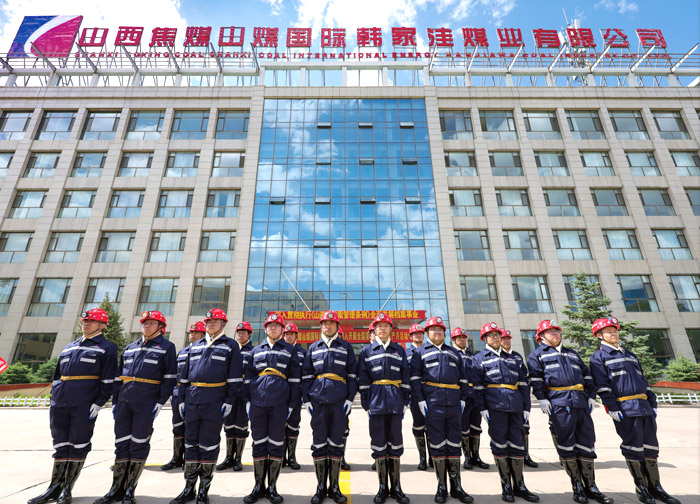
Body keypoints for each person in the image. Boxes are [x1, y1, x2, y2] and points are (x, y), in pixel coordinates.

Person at [29, 309, 117, 504]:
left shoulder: (107, 347)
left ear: (102, 325)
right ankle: (54, 487)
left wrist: (99, 402)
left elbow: (108, 379)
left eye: (91, 321)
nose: (86, 323)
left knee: (78, 444)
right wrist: (54, 396)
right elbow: (57, 375)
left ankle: (67, 488)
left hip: (84, 403)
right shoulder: (70, 346)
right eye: (85, 321)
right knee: (60, 443)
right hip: (60, 401)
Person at [589, 317, 680, 504]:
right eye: (608, 332)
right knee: (633, 448)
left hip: (644, 407)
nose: (614, 334)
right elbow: (602, 385)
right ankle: (642, 489)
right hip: (625, 409)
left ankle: (656, 488)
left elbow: (643, 380)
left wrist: (652, 402)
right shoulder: (599, 357)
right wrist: (612, 407)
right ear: (599, 335)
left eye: (615, 331)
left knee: (651, 448)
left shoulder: (630, 355)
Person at [95, 310, 176, 504]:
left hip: (146, 401)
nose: (146, 326)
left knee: (138, 444)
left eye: (151, 323)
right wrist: (116, 401)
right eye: (145, 323)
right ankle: (116, 489)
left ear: (161, 327)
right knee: (121, 443)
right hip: (124, 401)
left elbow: (170, 377)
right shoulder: (131, 347)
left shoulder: (167, 347)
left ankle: (130, 490)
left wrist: (160, 401)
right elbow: (118, 376)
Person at [527, 319, 612, 504]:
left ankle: (591, 487)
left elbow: (587, 375)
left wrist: (591, 395)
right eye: (550, 332)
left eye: (557, 331)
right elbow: (535, 379)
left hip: (580, 402)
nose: (555, 334)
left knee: (587, 443)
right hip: (559, 403)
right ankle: (577, 486)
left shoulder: (571, 353)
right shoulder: (537, 355)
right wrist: (542, 398)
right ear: (541, 336)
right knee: (567, 444)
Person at [170, 308, 243, 504]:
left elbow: (235, 376)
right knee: (191, 444)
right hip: (192, 399)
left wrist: (229, 400)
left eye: (215, 321)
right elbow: (184, 376)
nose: (211, 323)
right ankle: (188, 488)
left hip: (215, 400)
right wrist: (182, 399)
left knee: (209, 444)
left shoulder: (230, 346)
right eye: (208, 321)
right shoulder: (196, 346)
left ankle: (203, 489)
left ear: (223, 324)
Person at [473, 322, 538, 503]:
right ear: (484, 339)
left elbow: (523, 384)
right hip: (495, 407)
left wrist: (526, 407)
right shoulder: (479, 359)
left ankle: (520, 486)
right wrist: (482, 408)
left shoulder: (512, 358)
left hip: (516, 407)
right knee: (500, 445)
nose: (495, 338)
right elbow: (478, 387)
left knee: (517, 445)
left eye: (497, 335)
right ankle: (506, 486)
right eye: (491, 335)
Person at [410, 316, 472, 504]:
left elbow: (463, 378)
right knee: (437, 444)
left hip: (453, 403)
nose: (437, 332)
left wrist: (463, 398)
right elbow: (415, 379)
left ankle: (457, 487)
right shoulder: (419, 353)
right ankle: (442, 487)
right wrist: (421, 400)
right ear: (427, 333)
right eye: (433, 329)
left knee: (454, 443)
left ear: (445, 333)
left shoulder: (454, 352)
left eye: (440, 329)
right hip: (433, 403)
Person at [242, 312, 301, 504]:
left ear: (282, 329)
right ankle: (258, 486)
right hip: (258, 402)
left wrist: (292, 405)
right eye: (269, 325)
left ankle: (273, 487)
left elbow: (295, 380)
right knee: (258, 443)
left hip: (280, 403)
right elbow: (249, 377)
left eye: (276, 325)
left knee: (276, 443)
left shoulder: (289, 350)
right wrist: (247, 401)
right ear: (265, 329)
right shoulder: (256, 350)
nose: (272, 328)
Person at [302, 310, 358, 504]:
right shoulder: (313, 347)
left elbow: (352, 375)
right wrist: (306, 399)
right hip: (317, 401)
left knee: (336, 443)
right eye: (325, 323)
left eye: (331, 323)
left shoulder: (345, 346)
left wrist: (350, 398)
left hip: (339, 402)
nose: (328, 326)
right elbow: (306, 375)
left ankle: (334, 487)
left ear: (337, 326)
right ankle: (320, 488)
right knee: (319, 443)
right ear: (321, 326)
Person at [358, 313, 411, 504]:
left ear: (391, 329)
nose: (382, 328)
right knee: (379, 443)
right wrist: (366, 404)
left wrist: (405, 401)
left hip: (395, 401)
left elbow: (405, 376)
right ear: (374, 329)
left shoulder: (399, 350)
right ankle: (382, 488)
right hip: (376, 402)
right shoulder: (366, 351)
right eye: (379, 326)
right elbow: (363, 378)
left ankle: (396, 488)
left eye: (385, 325)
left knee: (395, 443)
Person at [161, 321, 206, 471]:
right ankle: (176, 458)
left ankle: (190, 458)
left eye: (196, 332)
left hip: (193, 393)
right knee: (177, 426)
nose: (192, 334)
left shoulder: (205, 351)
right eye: (191, 332)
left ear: (203, 335)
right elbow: (175, 374)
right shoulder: (182, 352)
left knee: (192, 427)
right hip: (178, 394)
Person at [217, 321, 254, 472]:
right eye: (238, 332)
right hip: (229, 392)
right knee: (229, 425)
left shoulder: (253, 351)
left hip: (244, 393)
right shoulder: (230, 348)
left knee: (241, 426)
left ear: (249, 334)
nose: (240, 334)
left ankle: (238, 458)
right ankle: (228, 458)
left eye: (243, 332)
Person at [500, 329, 538, 469]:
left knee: (524, 427)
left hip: (519, 397)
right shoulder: (498, 356)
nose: (506, 341)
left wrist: (526, 403)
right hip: (504, 399)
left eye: (508, 338)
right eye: (503, 339)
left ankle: (525, 454)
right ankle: (511, 457)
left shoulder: (516, 356)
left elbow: (524, 378)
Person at [450, 327, 476, 470]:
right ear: (453, 339)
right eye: (459, 338)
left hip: (474, 395)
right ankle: (467, 457)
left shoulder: (472, 355)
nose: (461, 340)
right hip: (461, 395)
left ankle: (476, 456)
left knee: (476, 427)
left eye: (463, 337)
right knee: (464, 427)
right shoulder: (452, 354)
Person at [404, 323, 430, 470]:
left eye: (420, 333)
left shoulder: (429, 350)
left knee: (432, 426)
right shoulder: (406, 353)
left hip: (430, 393)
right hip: (414, 394)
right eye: (415, 334)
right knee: (419, 425)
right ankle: (422, 458)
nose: (418, 336)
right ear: (411, 336)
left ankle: (433, 457)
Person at [283, 322, 306, 470]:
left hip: (296, 394)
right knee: (279, 426)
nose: (288, 336)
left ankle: (291, 457)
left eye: (291, 334)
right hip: (280, 393)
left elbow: (306, 374)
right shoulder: (280, 350)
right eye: (286, 334)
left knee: (293, 425)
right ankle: (281, 457)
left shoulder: (302, 353)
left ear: (296, 335)